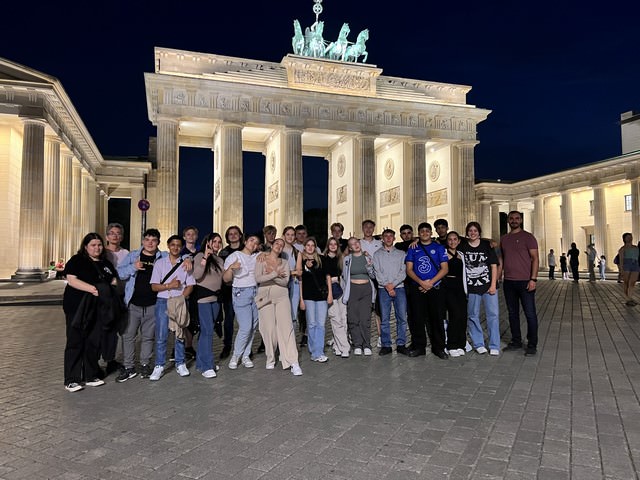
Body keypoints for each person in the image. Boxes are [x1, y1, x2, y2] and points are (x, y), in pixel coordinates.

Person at [62, 233, 120, 392]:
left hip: (98, 308)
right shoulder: (77, 260)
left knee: (93, 341)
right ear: (85, 246)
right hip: (78, 307)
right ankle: (72, 379)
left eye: (99, 245)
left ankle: (91, 374)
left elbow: (113, 280)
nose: (97, 248)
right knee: (75, 341)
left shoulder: (106, 263)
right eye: (93, 245)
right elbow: (71, 279)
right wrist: (92, 289)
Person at [116, 228, 164, 382]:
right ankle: (129, 367)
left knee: (148, 337)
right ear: (143, 241)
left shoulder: (163, 257)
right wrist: (133, 267)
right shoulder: (133, 255)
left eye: (154, 240)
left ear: (158, 242)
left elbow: (181, 256)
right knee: (128, 336)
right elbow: (119, 273)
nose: (150, 243)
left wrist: (189, 258)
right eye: (147, 239)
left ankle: (145, 364)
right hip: (133, 304)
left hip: (153, 304)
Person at [149, 235, 195, 381]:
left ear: (181, 247)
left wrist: (182, 298)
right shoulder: (160, 263)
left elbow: (190, 285)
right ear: (168, 246)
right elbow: (154, 286)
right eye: (173, 245)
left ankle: (180, 363)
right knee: (162, 335)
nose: (175, 247)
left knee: (179, 333)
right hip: (163, 301)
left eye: (178, 245)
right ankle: (159, 365)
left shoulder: (186, 263)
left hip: (179, 301)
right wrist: (170, 285)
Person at [254, 238, 303, 375]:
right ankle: (270, 358)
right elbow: (258, 278)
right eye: (277, 243)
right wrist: (275, 274)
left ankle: (293, 361)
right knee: (268, 329)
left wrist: (270, 275)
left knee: (287, 327)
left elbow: (285, 282)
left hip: (282, 297)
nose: (279, 246)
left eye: (282, 245)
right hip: (265, 297)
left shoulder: (285, 262)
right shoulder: (261, 259)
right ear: (272, 245)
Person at [405, 222, 449, 359]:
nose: (424, 233)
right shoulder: (413, 248)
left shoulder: (439, 247)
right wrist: (421, 283)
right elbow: (409, 269)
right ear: (419, 233)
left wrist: (430, 283)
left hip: (435, 287)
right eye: (422, 231)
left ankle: (439, 347)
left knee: (436, 318)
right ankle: (419, 347)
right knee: (417, 318)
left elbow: (445, 269)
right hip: (418, 287)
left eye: (427, 231)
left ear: (431, 232)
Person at [500, 211, 539, 356]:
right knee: (512, 314)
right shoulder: (504, 239)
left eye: (517, 218)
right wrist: (499, 276)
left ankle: (532, 344)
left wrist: (533, 279)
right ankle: (516, 341)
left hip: (525, 281)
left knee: (530, 314)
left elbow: (535, 258)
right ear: (508, 221)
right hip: (509, 282)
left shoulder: (528, 237)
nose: (514, 220)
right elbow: (502, 260)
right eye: (511, 218)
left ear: (521, 220)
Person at [459, 222, 500, 356]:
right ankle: (478, 343)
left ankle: (494, 345)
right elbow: (449, 240)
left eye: (475, 230)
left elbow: (493, 265)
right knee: (472, 316)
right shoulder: (462, 246)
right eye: (470, 230)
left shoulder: (486, 246)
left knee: (493, 315)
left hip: (488, 286)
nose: (472, 233)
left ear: (479, 232)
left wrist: (493, 284)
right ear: (467, 233)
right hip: (471, 288)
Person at [222, 234, 261, 369]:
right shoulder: (234, 256)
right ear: (245, 241)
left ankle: (246, 355)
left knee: (253, 326)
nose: (253, 244)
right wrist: (232, 268)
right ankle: (236, 355)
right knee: (245, 327)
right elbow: (226, 279)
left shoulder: (257, 256)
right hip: (241, 292)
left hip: (255, 292)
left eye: (256, 243)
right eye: (251, 241)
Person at [193, 233, 224, 378]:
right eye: (214, 241)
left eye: (219, 242)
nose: (217, 244)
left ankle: (201, 363)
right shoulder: (199, 256)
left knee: (205, 331)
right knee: (208, 330)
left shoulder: (219, 260)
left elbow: (223, 278)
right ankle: (207, 365)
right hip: (203, 299)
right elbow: (197, 275)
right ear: (208, 243)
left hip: (216, 299)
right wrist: (205, 256)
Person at [372, 229, 408, 356]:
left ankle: (401, 344)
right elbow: (377, 272)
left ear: (394, 238)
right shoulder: (377, 255)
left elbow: (403, 272)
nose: (388, 238)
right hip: (383, 289)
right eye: (386, 236)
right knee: (385, 318)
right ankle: (386, 345)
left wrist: (393, 285)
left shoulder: (401, 254)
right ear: (382, 238)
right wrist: (387, 285)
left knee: (402, 318)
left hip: (399, 287)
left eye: (390, 236)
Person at [298, 237, 332, 362]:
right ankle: (314, 352)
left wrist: (330, 294)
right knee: (311, 324)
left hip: (321, 296)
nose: (310, 247)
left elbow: (328, 277)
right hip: (308, 296)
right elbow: (300, 281)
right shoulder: (301, 260)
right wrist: (301, 299)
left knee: (321, 324)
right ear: (305, 247)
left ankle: (319, 351)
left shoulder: (322, 259)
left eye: (312, 245)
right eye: (308, 245)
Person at [102, 222, 129, 375]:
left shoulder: (126, 253)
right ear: (107, 236)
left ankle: (118, 360)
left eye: (118, 233)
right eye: (112, 233)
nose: (115, 236)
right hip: (106, 297)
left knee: (123, 329)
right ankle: (107, 358)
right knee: (107, 329)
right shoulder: (102, 252)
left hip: (122, 295)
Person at [341, 237, 375, 356]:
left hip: (366, 289)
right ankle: (357, 344)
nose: (355, 245)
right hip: (352, 290)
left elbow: (373, 275)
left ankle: (367, 345)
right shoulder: (347, 259)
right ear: (349, 248)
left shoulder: (367, 257)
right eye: (352, 244)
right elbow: (344, 276)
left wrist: (370, 266)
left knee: (365, 318)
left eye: (356, 243)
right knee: (353, 318)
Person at [218, 225, 244, 359]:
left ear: (240, 235)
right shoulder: (223, 252)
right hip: (228, 290)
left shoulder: (247, 249)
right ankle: (227, 345)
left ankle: (245, 347)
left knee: (244, 320)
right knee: (228, 320)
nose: (233, 235)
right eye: (230, 234)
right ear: (227, 237)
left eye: (235, 233)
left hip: (244, 289)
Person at [323, 237, 350, 357]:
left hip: (341, 290)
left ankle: (337, 345)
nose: (333, 246)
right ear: (328, 245)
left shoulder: (341, 259)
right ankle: (345, 347)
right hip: (330, 291)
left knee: (343, 319)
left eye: (335, 244)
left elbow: (344, 276)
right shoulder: (323, 259)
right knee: (335, 320)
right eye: (331, 244)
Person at [442, 231, 467, 357]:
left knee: (462, 316)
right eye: (450, 239)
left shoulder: (461, 255)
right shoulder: (443, 254)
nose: (452, 241)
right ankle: (451, 344)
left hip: (460, 287)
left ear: (458, 241)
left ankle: (461, 344)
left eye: (455, 239)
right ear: (447, 241)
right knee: (455, 314)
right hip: (448, 287)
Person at [360, 219, 383, 347]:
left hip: (377, 279)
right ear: (362, 228)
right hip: (363, 279)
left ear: (373, 229)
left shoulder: (380, 243)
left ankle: (380, 336)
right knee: (364, 311)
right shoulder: (358, 243)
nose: (368, 229)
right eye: (366, 227)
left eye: (370, 227)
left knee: (378, 311)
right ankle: (364, 338)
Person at [180, 226, 199, 360]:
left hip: (197, 289)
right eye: (188, 234)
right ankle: (181, 346)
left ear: (196, 237)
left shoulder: (200, 253)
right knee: (183, 319)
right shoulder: (180, 252)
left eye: (193, 234)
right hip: (184, 288)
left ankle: (189, 346)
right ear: (184, 237)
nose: (191, 236)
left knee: (192, 320)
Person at [618, 233, 639, 306]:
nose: (630, 238)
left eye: (631, 237)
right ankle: (628, 298)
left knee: (632, 282)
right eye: (628, 237)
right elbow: (621, 260)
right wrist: (621, 269)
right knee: (626, 282)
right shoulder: (622, 249)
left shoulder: (636, 248)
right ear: (624, 239)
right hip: (626, 264)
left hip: (635, 264)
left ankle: (629, 298)